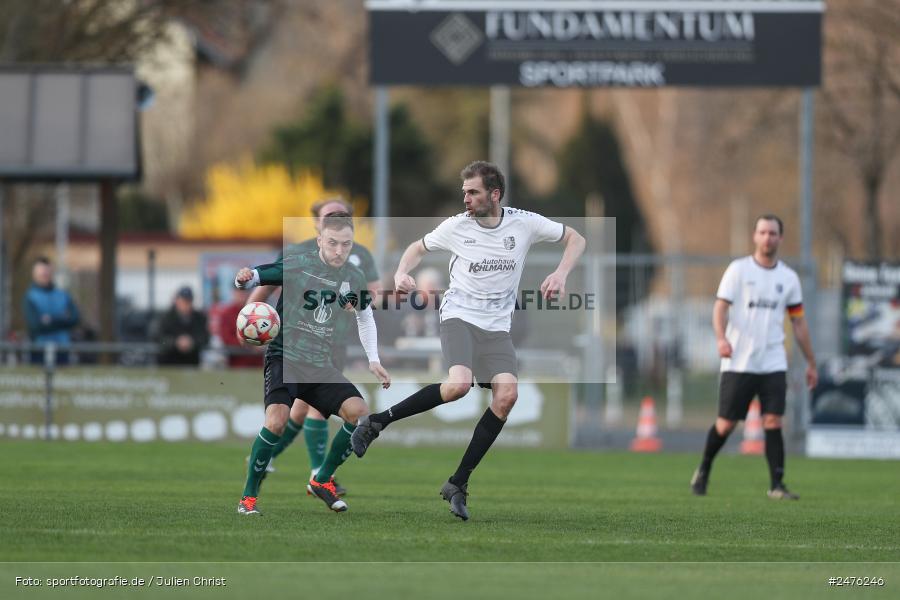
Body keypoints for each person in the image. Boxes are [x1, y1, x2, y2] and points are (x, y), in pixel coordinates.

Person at [351, 160, 585, 520]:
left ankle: (458, 482)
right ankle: (377, 423)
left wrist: (561, 273)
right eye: (464, 192)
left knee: (507, 396)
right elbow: (417, 247)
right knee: (458, 385)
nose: (466, 199)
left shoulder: (523, 223)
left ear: (494, 194)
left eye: (473, 192)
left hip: (497, 327)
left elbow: (576, 238)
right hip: (459, 315)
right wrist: (401, 272)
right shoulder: (456, 227)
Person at [235, 212, 390, 515]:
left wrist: (374, 359)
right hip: (285, 358)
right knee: (276, 422)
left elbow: (365, 316)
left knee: (359, 415)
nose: (338, 251)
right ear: (320, 239)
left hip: (320, 364)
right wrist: (244, 277)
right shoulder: (299, 263)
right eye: (332, 243)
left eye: (345, 245)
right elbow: (257, 276)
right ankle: (248, 499)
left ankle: (322, 479)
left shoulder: (354, 276)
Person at [690, 214, 817, 500]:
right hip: (739, 361)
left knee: (773, 421)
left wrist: (811, 362)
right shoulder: (738, 270)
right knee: (726, 424)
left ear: (780, 238)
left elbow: (798, 322)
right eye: (763, 232)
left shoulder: (789, 278)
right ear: (755, 236)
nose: (767, 238)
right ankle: (704, 469)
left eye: (773, 233)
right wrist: (721, 338)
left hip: (773, 361)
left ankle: (777, 485)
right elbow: (720, 308)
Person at [23, 257, 79, 366]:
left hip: (62, 350)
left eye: (46, 272)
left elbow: (74, 318)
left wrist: (49, 320)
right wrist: (62, 319)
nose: (44, 275)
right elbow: (35, 325)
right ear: (34, 274)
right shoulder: (30, 297)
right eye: (41, 273)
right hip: (39, 351)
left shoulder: (63, 295)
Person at [156, 286, 210, 366]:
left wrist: (192, 342)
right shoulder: (165, 317)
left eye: (188, 301)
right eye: (183, 301)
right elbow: (158, 336)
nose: (185, 304)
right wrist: (176, 342)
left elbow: (205, 337)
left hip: (191, 363)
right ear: (176, 300)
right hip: (168, 363)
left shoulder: (200, 318)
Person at [217, 288, 264, 368]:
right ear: (234, 293)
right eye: (239, 292)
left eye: (244, 292)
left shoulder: (258, 310)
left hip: (258, 361)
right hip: (237, 362)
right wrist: (251, 344)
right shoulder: (227, 313)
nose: (242, 295)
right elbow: (226, 338)